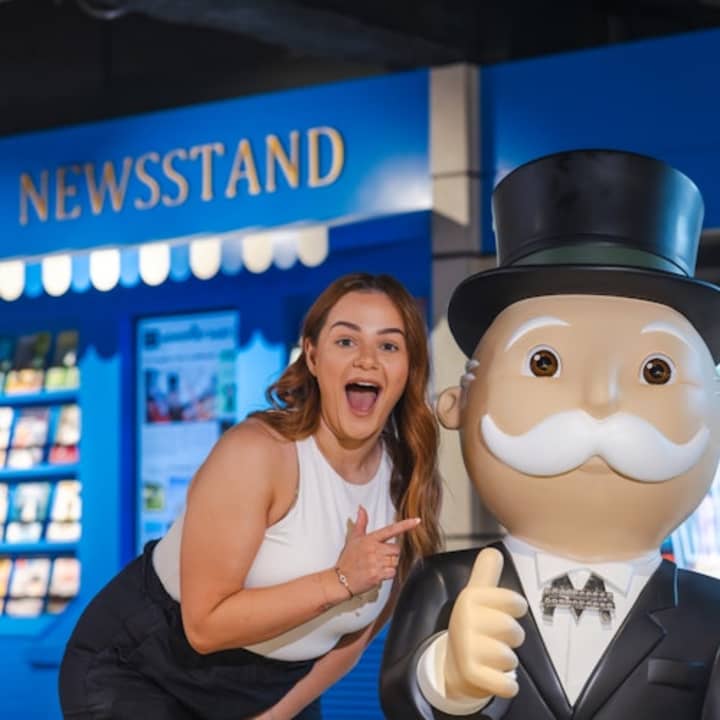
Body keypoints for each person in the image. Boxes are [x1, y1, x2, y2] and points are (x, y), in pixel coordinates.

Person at [380, 150, 720, 719]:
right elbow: (401, 698)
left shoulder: (710, 612)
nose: (599, 401)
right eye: (544, 363)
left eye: (656, 371)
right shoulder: (445, 584)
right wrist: (445, 680)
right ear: (456, 404)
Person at [59, 272, 442, 720]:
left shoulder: (408, 479)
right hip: (144, 665)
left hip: (273, 688)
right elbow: (204, 626)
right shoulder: (258, 452)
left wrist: (275, 716)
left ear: (409, 368)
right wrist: (340, 580)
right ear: (312, 356)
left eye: (389, 346)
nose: (367, 360)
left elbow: (355, 638)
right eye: (346, 341)